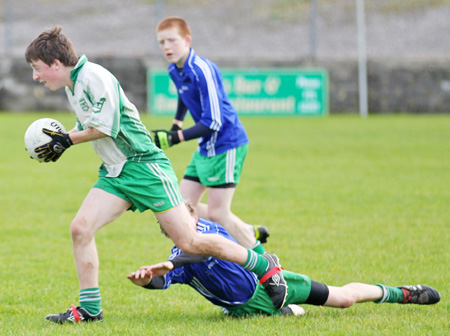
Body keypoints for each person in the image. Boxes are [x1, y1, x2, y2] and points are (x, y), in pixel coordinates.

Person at [25, 26, 288, 324]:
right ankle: (89, 310)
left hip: (145, 167)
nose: (36, 76)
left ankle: (265, 266)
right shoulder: (74, 86)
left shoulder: (94, 77)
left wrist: (66, 141)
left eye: (37, 68)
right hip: (116, 173)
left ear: (56, 63)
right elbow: (90, 127)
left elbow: (106, 127)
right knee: (80, 228)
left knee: (190, 242)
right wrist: (63, 142)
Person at [127, 202, 441, 317]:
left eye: (185, 220)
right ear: (168, 233)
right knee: (281, 314)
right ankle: (282, 310)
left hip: (269, 285)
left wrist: (176, 263)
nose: (182, 229)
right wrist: (147, 280)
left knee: (344, 299)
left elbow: (208, 248)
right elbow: (162, 279)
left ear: (195, 218)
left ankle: (402, 293)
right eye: (172, 227)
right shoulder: (176, 259)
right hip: (244, 309)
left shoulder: (207, 231)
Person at [152, 16, 269, 253]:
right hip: (207, 146)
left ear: (187, 40)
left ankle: (268, 266)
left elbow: (213, 122)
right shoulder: (175, 69)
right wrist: (176, 124)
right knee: (180, 206)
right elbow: (184, 95)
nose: (166, 47)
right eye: (161, 42)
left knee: (218, 213)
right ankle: (245, 230)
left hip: (227, 143)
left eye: (171, 41)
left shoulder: (202, 69)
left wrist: (176, 137)